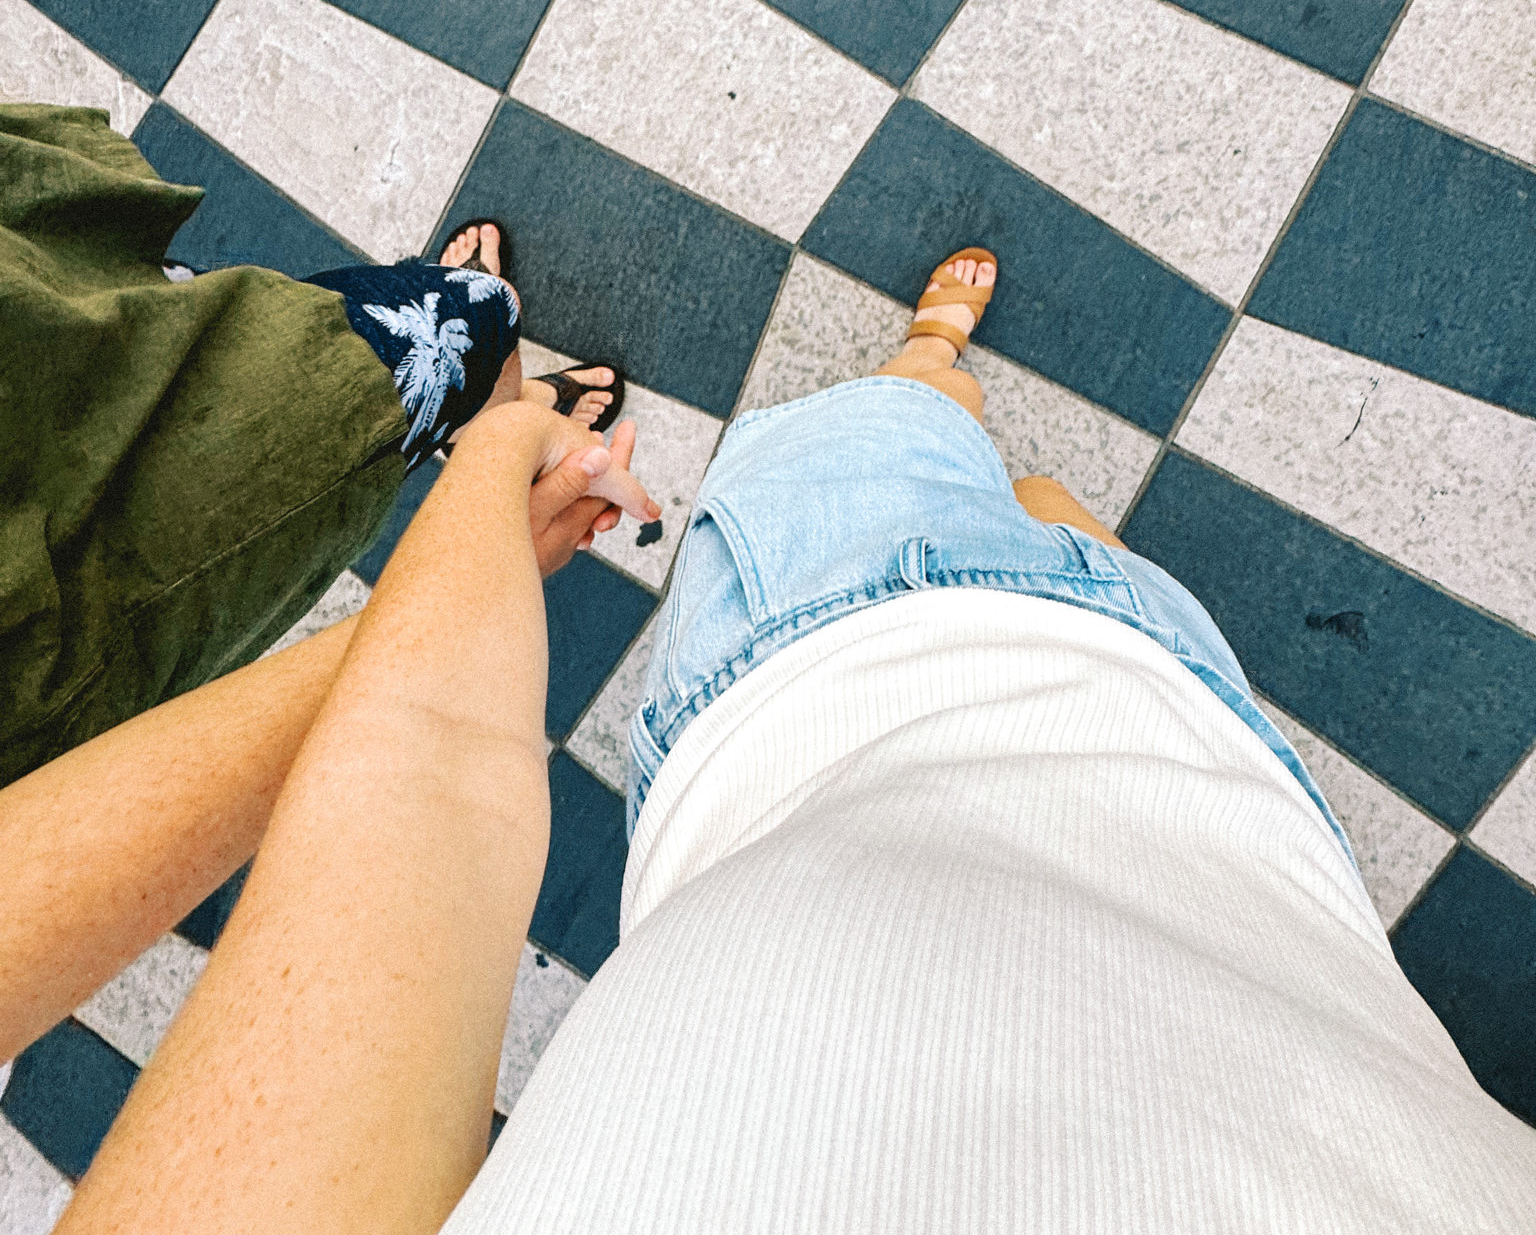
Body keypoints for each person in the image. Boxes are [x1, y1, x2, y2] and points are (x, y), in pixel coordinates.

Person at [20, 249, 1536, 1230]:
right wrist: (490, 483)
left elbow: (415, 777)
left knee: (972, 477)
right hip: (1131, 777)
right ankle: (934, 372)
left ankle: (933, 371)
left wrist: (478, 515)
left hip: (869, 731)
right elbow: (418, 769)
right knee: (1035, 515)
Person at [0, 102, 622, 787]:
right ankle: (500, 411)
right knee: (464, 322)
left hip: (43, 347)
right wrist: (467, 575)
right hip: (85, 562)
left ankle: (484, 412)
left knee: (188, 323)